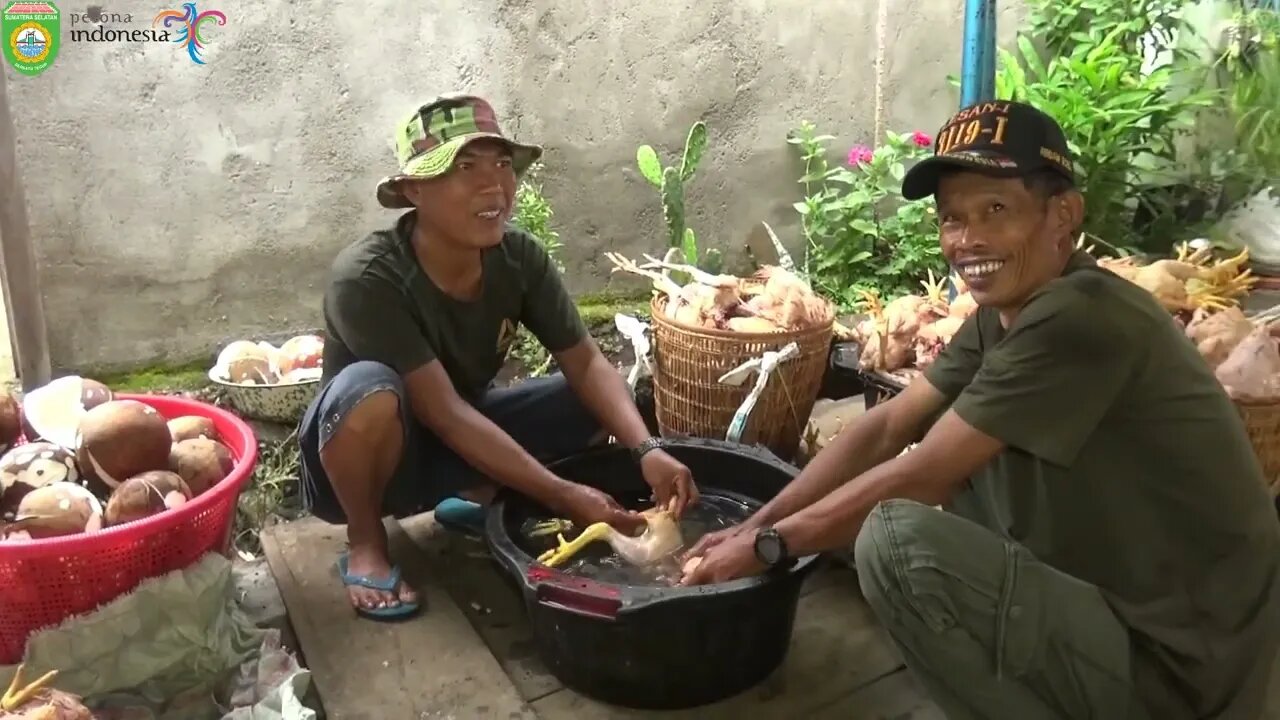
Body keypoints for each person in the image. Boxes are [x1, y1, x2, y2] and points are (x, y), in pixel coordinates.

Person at [680, 101, 1280, 719]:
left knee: (893, 540)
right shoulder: (1006, 314)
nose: (968, 240)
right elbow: (888, 424)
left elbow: (926, 470)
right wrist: (758, 525)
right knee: (949, 479)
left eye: (996, 210)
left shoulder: (1081, 317)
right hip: (1128, 606)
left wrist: (771, 547)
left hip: (1182, 664)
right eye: (952, 219)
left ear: (1063, 215)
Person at [298, 94, 698, 621]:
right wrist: (561, 493)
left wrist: (646, 448)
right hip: (372, 461)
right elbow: (440, 410)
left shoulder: (518, 258)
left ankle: (472, 495)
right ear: (415, 189)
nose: (493, 185)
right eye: (464, 167)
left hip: (459, 441)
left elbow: (586, 363)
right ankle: (367, 537)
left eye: (502, 164)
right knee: (368, 389)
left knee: (591, 400)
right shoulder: (367, 278)